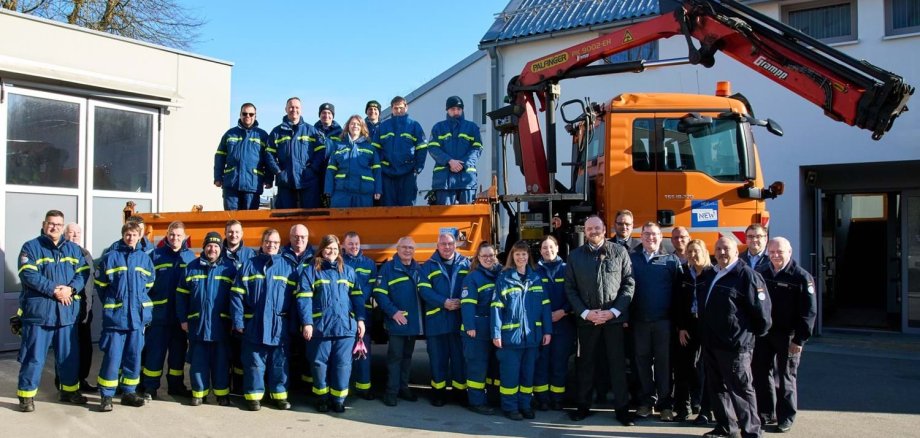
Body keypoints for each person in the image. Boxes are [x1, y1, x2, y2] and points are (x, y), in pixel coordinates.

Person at [15, 210, 90, 412]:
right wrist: (55, 290)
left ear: (62, 226)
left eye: (58, 224)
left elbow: (83, 273)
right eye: (51, 223)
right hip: (40, 314)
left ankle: (68, 391)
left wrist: (71, 289)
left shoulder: (73, 249)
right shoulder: (31, 247)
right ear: (44, 224)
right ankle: (26, 396)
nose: (54, 227)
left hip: (66, 314)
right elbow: (28, 274)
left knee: (68, 356)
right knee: (34, 356)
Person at [564, 215, 636, 426]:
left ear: (604, 229)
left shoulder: (619, 252)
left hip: (613, 321)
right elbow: (570, 288)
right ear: (584, 232)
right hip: (588, 322)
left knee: (617, 365)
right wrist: (586, 313)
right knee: (585, 365)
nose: (593, 231)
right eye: (589, 229)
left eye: (597, 228)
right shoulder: (575, 256)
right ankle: (583, 407)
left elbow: (628, 284)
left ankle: (622, 409)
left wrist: (614, 311)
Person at [699, 237, 772, 438]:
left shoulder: (747, 276)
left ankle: (751, 432)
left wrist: (745, 338)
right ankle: (726, 427)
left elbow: (763, 315)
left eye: (726, 248)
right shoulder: (711, 273)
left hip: (735, 346)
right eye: (718, 248)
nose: (722, 252)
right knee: (718, 389)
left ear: (737, 251)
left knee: (741, 391)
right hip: (712, 343)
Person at [753, 237, 816, 433]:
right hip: (764, 334)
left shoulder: (801, 277)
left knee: (786, 377)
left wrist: (800, 339)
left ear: (790, 252)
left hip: (789, 336)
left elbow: (809, 311)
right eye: (771, 252)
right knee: (761, 374)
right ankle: (765, 413)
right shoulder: (762, 272)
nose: (775, 255)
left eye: (779, 252)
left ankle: (785, 417)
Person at [298, 234, 367, 413]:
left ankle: (338, 399)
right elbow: (304, 299)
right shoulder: (310, 271)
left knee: (343, 365)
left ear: (340, 251)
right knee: (319, 364)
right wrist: (307, 323)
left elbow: (358, 298)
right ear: (321, 249)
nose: (332, 252)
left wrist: (360, 319)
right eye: (328, 248)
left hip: (346, 328)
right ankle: (322, 398)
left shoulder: (348, 271)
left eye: (335, 249)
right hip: (321, 328)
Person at [230, 228, 297, 411]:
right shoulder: (249, 265)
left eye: (275, 242)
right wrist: (238, 322)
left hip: (279, 324)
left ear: (280, 245)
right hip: (254, 323)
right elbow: (237, 296)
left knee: (279, 362)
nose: (271, 245)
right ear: (262, 243)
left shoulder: (288, 267)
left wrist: (292, 324)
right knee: (254, 363)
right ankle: (253, 396)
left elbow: (295, 300)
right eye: (268, 242)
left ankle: (279, 396)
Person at [95, 220, 156, 411]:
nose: (131, 238)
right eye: (128, 234)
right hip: (116, 317)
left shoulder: (145, 259)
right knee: (112, 358)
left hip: (137, 318)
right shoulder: (111, 257)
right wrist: (113, 303)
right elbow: (101, 286)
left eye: (134, 235)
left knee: (133, 357)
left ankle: (129, 392)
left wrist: (138, 303)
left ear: (140, 237)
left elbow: (149, 283)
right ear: (123, 235)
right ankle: (107, 396)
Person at [492, 240, 553, 421]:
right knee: (510, 375)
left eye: (524, 254)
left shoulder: (536, 278)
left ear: (528, 257)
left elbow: (545, 307)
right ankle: (510, 407)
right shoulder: (504, 279)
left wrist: (547, 331)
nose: (520, 257)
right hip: (510, 338)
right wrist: (496, 333)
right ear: (512, 256)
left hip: (532, 337)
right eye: (517, 254)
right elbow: (496, 307)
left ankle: (525, 405)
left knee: (528, 375)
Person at [175, 231, 237, 406]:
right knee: (198, 363)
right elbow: (181, 296)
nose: (212, 249)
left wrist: (234, 320)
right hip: (197, 325)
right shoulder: (191, 267)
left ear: (221, 249)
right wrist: (183, 319)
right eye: (209, 245)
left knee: (221, 363)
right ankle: (198, 394)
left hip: (221, 326)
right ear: (204, 247)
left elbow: (237, 298)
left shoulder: (229, 269)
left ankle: (221, 394)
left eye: (216, 246)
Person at [629, 222, 682, 421]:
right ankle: (646, 402)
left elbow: (678, 293)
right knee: (642, 363)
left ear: (661, 237)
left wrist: (677, 322)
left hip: (663, 322)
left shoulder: (671, 261)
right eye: (646, 234)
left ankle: (665, 405)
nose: (650, 238)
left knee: (664, 365)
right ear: (640, 237)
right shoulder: (632, 259)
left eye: (654, 234)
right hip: (640, 321)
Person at [141, 221, 195, 400]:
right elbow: (145, 286)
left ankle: (176, 385)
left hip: (181, 318)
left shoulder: (190, 258)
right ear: (167, 235)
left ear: (184, 237)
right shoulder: (155, 256)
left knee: (177, 356)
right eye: (172, 234)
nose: (175, 238)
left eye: (179, 235)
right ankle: (150, 387)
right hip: (159, 316)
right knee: (155, 354)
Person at [418, 232, 469, 406]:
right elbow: (424, 290)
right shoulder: (428, 266)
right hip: (436, 322)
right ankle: (438, 393)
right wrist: (444, 302)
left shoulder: (466, 263)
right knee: (437, 360)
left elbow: (472, 287)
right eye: (443, 244)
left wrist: (462, 301)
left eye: (450, 244)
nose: (447, 247)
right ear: (437, 246)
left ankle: (459, 393)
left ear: (455, 245)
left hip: (458, 321)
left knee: (459, 359)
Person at [373, 237, 423, 407]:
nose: (408, 250)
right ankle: (391, 392)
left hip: (413, 323)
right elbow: (379, 294)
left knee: (408, 358)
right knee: (395, 358)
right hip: (397, 323)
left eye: (411, 248)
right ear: (397, 248)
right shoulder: (388, 268)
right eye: (404, 247)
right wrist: (393, 312)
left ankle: (404, 388)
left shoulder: (418, 269)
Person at [673, 239, 716, 424]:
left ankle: (705, 410)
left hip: (707, 326)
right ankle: (683, 407)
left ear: (705, 252)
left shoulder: (713, 274)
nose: (693, 255)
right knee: (684, 366)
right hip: (688, 325)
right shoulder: (683, 274)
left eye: (696, 251)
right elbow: (677, 303)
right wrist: (681, 327)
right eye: (689, 252)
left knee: (707, 368)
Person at [459, 242, 502, 415]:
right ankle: (476, 402)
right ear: (478, 258)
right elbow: (467, 304)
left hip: (494, 328)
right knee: (477, 365)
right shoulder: (472, 278)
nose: (488, 259)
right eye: (484, 256)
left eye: (491, 255)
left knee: (494, 365)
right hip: (477, 329)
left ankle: (493, 398)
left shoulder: (501, 274)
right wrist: (470, 326)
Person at [533, 235, 574, 411]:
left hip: (563, 324)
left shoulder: (568, 269)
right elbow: (531, 299)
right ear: (540, 251)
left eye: (551, 247)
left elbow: (575, 294)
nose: (548, 251)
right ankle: (543, 399)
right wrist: (543, 315)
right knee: (541, 363)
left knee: (559, 363)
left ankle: (557, 398)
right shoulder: (534, 271)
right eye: (544, 248)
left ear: (557, 248)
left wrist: (563, 311)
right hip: (542, 326)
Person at [267, 97, 327, 209]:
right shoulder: (277, 132)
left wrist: (312, 169)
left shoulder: (311, 131)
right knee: (285, 216)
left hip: (308, 180)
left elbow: (321, 153)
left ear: (301, 109)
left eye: (296, 107)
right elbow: (269, 154)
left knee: (311, 215)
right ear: (286, 109)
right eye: (291, 107)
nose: (294, 110)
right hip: (286, 180)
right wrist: (279, 172)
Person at [214, 102, 273, 210]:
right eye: (245, 113)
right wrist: (217, 177)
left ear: (255, 116)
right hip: (231, 184)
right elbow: (220, 156)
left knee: (249, 221)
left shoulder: (263, 135)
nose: (247, 116)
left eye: (251, 114)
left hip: (252, 185)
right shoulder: (230, 134)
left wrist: (269, 179)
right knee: (231, 221)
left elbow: (268, 159)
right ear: (240, 115)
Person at [427, 96, 483, 205]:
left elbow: (477, 148)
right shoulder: (438, 127)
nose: (456, 111)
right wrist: (450, 161)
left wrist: (463, 163)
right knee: (444, 219)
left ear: (462, 110)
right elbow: (433, 148)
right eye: (452, 109)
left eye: (459, 109)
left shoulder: (472, 127)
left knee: (467, 217)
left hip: (466, 179)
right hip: (444, 180)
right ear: (447, 110)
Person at [341, 231, 377, 399]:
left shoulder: (369, 264)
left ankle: (364, 388)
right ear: (344, 245)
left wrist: (358, 301)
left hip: (364, 314)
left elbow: (372, 287)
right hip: (344, 315)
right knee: (344, 354)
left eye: (356, 243)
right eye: (350, 244)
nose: (354, 247)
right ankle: (344, 387)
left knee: (363, 352)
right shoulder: (339, 263)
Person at [373, 96, 427, 206]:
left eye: (401, 108)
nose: (398, 110)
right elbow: (375, 150)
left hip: (408, 173)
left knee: (407, 207)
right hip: (387, 173)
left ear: (406, 107)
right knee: (388, 208)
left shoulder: (414, 125)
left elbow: (422, 148)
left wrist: (418, 167)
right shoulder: (382, 127)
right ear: (391, 109)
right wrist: (379, 168)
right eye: (396, 108)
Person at [222, 219, 255, 394]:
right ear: (225, 233)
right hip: (221, 312)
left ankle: (240, 387)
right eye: (230, 232)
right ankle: (223, 388)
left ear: (242, 234)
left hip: (243, 312)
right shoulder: (217, 252)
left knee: (241, 353)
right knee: (224, 354)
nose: (233, 235)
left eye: (236, 232)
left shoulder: (250, 255)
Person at [63, 222, 96, 392]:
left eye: (77, 233)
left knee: (85, 349)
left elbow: (91, 282)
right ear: (64, 234)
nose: (74, 235)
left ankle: (81, 379)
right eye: (71, 232)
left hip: (85, 310)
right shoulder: (61, 253)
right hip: (67, 311)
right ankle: (65, 383)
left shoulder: (86, 254)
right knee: (68, 349)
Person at [282, 223, 314, 388]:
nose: (299, 239)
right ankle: (288, 386)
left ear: (308, 238)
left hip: (307, 311)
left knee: (307, 351)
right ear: (290, 237)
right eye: (295, 236)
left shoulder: (316, 257)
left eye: (303, 237)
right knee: (284, 350)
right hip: (286, 311)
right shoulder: (280, 255)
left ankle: (306, 387)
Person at [324, 115, 382, 208]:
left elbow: (377, 170)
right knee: (339, 221)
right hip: (341, 193)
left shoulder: (370, 147)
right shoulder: (338, 146)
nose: (355, 126)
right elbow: (330, 170)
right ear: (348, 126)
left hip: (364, 193)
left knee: (363, 222)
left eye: (358, 124)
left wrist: (378, 190)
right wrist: (328, 191)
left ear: (362, 127)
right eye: (352, 123)